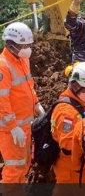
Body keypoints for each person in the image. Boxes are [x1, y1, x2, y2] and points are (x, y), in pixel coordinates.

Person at [0, 22, 42, 196]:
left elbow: (28, 86)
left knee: (24, 163)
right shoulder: (3, 66)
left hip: (24, 124)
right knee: (14, 165)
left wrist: (37, 104)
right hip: (11, 128)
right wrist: (13, 127)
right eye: (24, 46)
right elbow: (2, 100)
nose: (28, 49)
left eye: (28, 45)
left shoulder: (23, 59)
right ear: (11, 45)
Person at [51, 62, 85, 196]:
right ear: (75, 86)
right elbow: (68, 146)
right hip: (71, 174)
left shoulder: (81, 103)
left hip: (80, 171)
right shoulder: (66, 112)